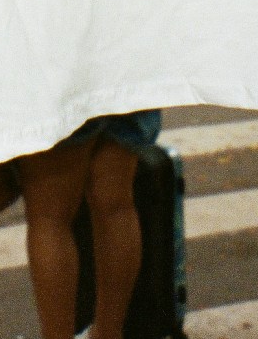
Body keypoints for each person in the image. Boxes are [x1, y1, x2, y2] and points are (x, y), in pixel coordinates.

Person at [19, 111, 159, 339]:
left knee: (50, 218)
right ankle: (108, 335)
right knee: (117, 206)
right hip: (127, 79)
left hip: (63, 86)